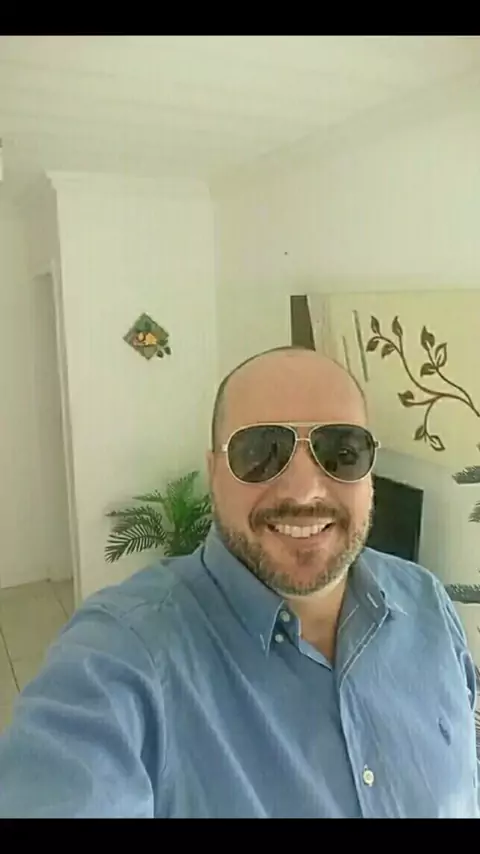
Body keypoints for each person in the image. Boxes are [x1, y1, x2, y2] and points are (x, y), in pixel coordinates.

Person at [0, 346, 478, 818]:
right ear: (214, 474)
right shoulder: (123, 656)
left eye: (342, 451)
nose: (304, 492)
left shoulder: (427, 602)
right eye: (261, 452)